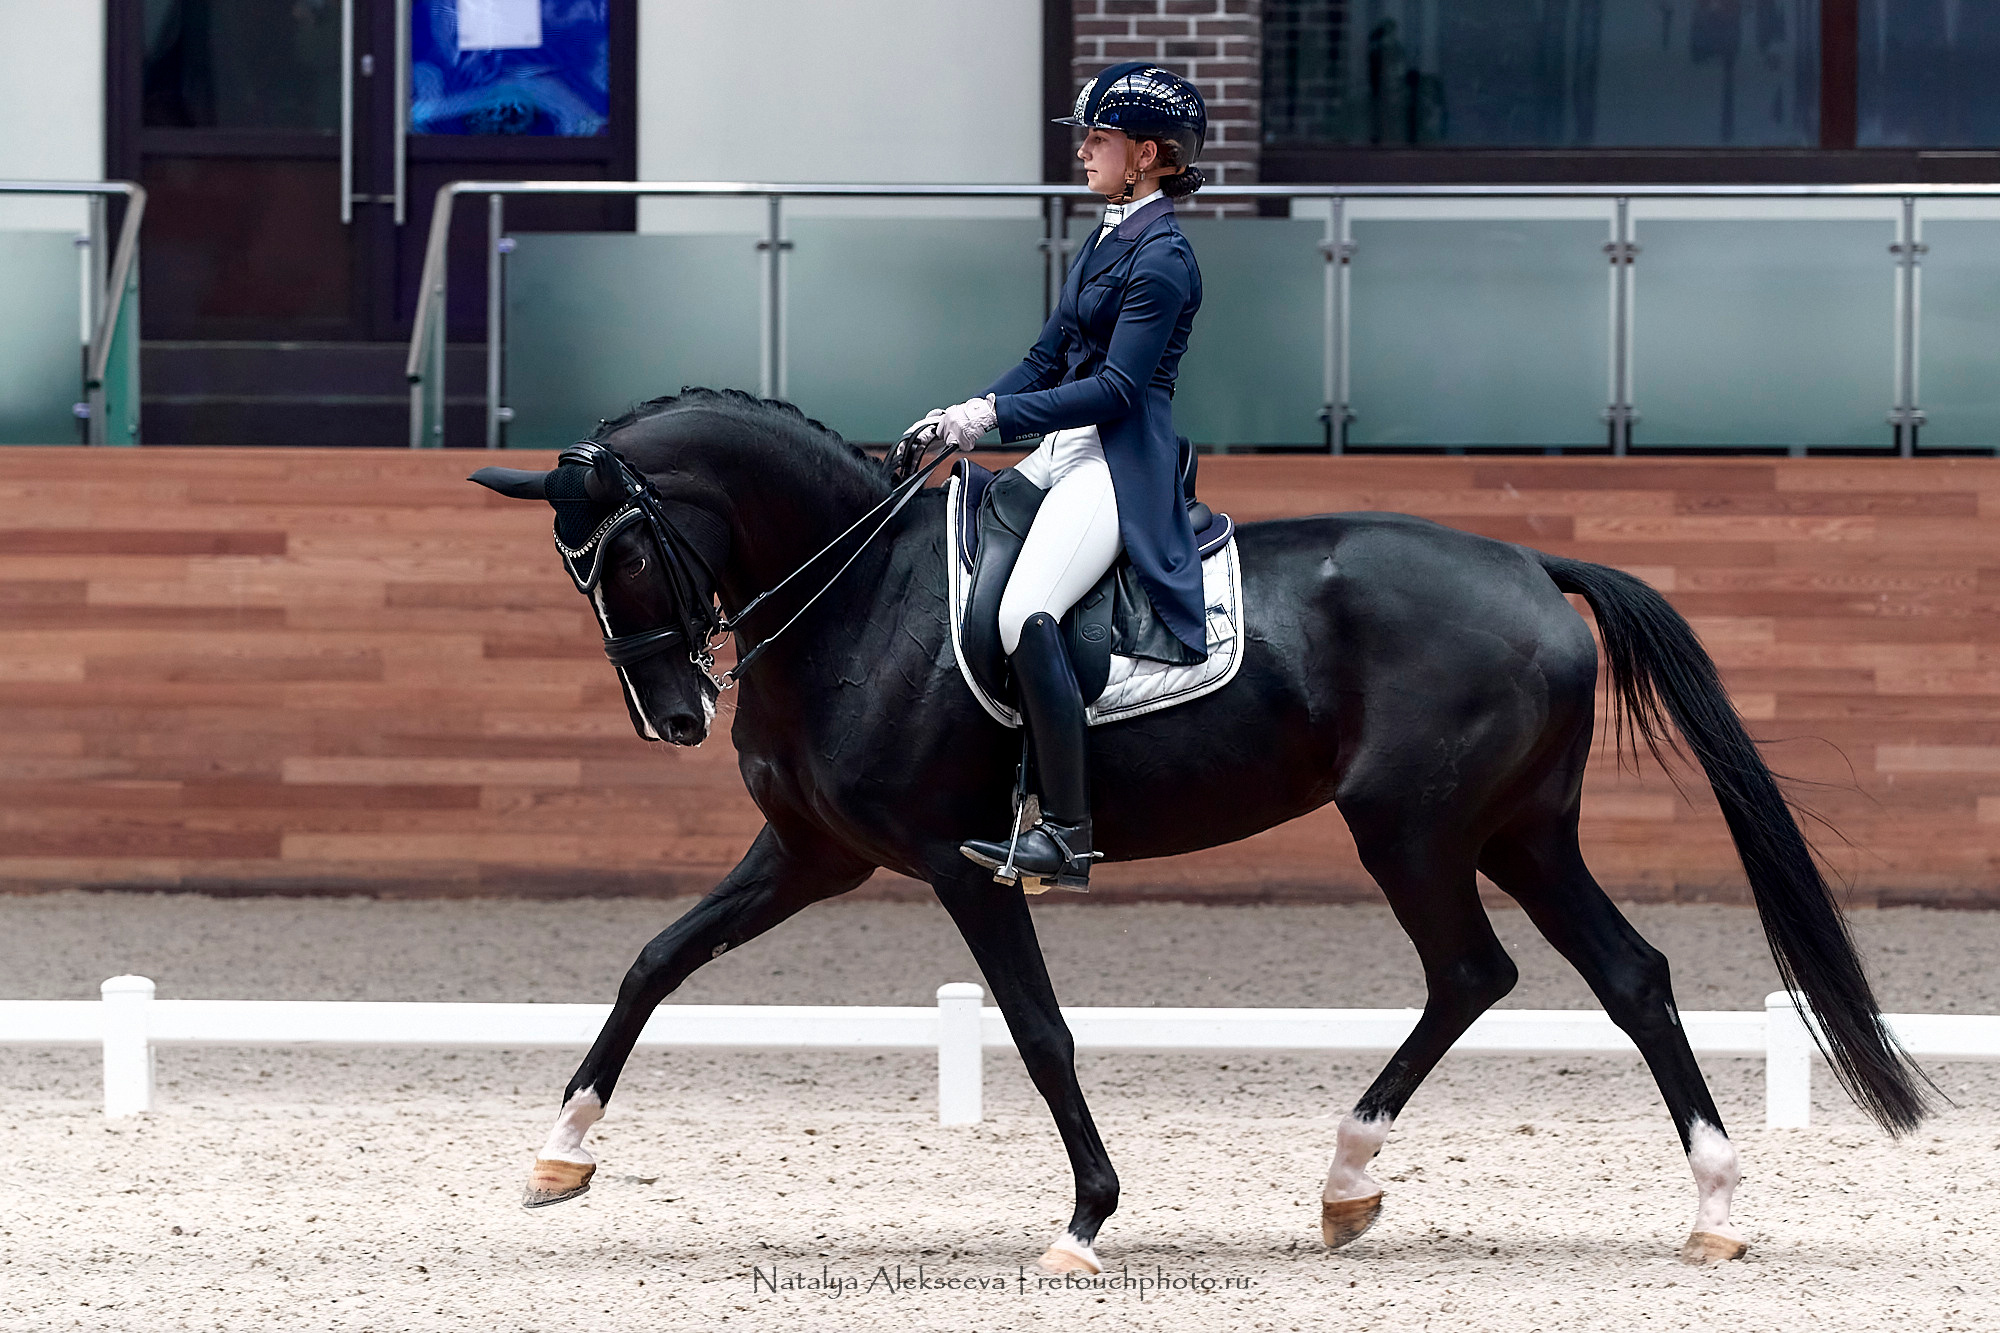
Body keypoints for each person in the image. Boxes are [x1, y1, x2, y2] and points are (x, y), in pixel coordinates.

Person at [908, 63, 1210, 892]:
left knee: (1024, 613)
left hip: (1116, 459)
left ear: (1147, 154)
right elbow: (1046, 358)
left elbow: (1118, 388)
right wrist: (966, 409)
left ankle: (1067, 834)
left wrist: (998, 421)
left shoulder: (1164, 258)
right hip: (1061, 448)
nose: (1082, 152)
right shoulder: (1108, 234)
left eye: (1099, 139)